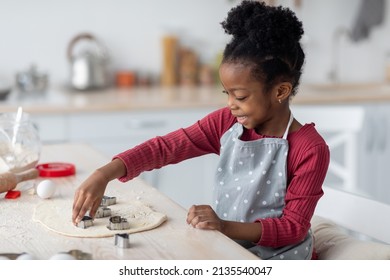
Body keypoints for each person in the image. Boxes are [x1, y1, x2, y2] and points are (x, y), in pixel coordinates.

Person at [72, 0, 330, 260]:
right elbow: (166, 147)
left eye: (240, 96)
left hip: (281, 256)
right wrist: (104, 173)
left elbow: (293, 229)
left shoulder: (310, 148)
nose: (231, 105)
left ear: (280, 91)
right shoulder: (226, 124)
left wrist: (223, 226)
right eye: (226, 93)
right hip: (231, 247)